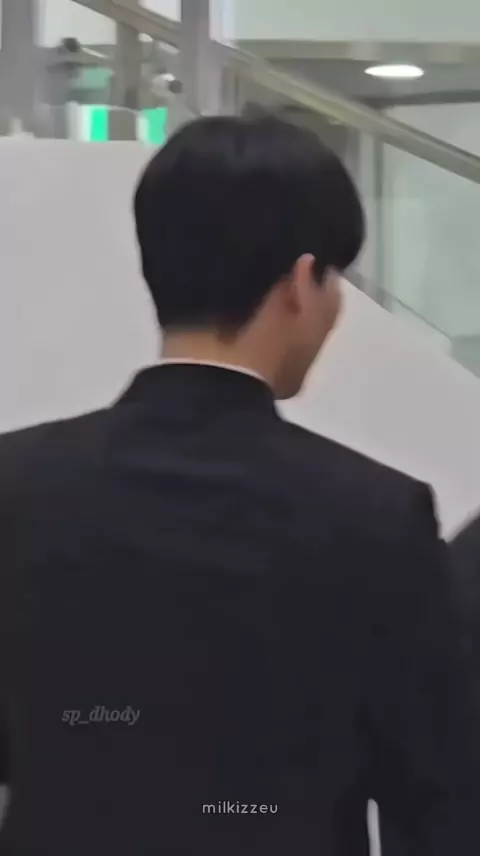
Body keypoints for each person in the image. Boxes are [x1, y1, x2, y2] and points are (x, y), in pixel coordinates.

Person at [0, 115, 478, 856]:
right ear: (300, 283)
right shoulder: (379, 518)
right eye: (335, 280)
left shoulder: (16, 487)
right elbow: (440, 805)